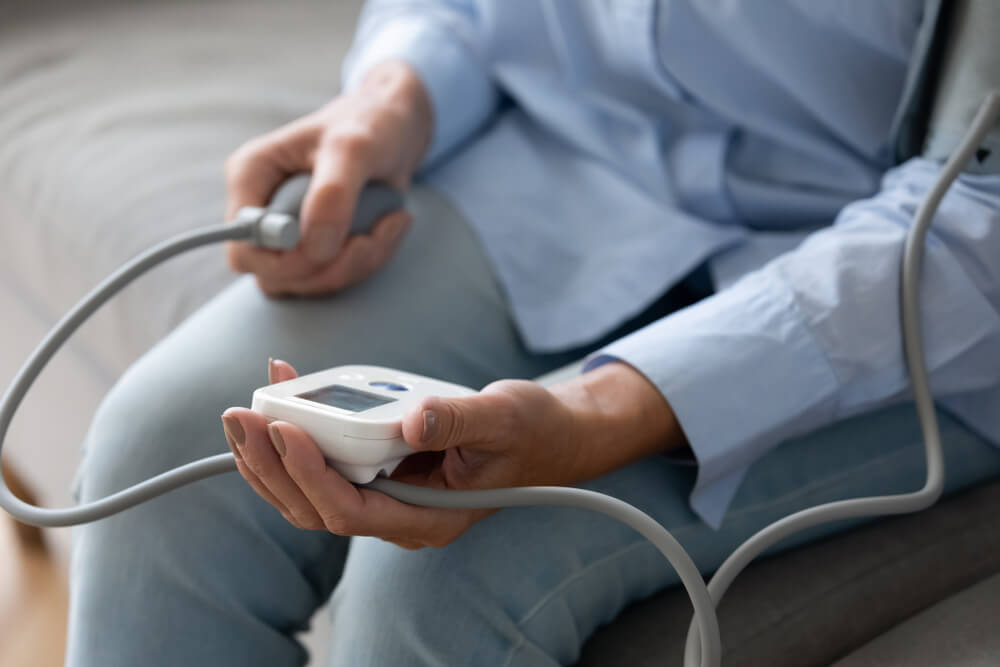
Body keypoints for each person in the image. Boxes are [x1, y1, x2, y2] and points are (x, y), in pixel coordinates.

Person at [68, 2, 1000, 665]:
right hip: (568, 165)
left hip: (924, 298)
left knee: (441, 573)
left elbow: (980, 217)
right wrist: (395, 97)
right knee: (164, 439)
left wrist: (599, 409)